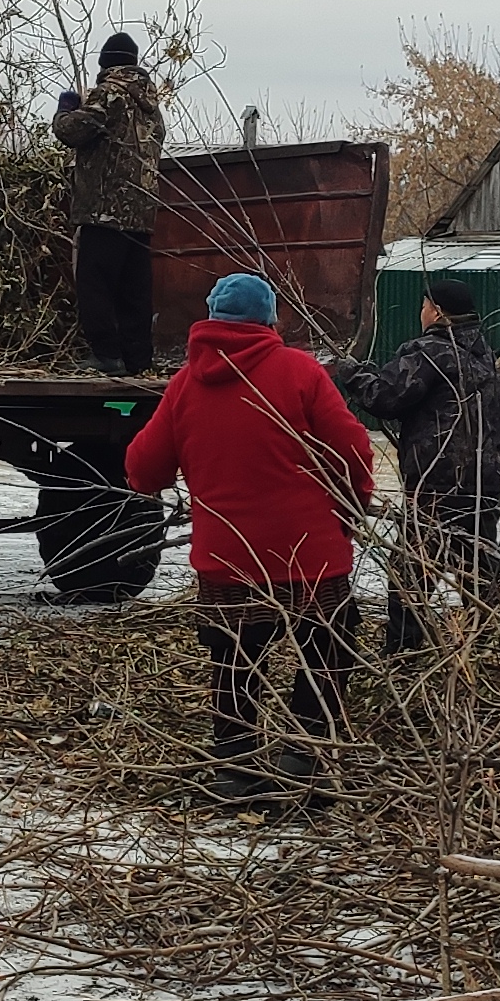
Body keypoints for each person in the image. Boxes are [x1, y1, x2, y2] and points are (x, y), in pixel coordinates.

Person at [124, 269, 375, 801]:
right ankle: (304, 752)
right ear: (269, 318)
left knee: (235, 656)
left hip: (228, 557)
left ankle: (235, 763)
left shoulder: (186, 384)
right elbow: (352, 446)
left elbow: (144, 469)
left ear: (211, 319)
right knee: (328, 646)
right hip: (310, 554)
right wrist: (354, 502)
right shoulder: (301, 371)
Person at [336, 276, 500, 656]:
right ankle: (496, 649)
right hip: (484, 484)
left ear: (435, 311)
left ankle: (403, 654)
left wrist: (350, 371)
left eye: (423, 306)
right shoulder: (485, 356)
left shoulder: (431, 351)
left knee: (410, 575)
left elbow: (384, 397)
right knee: (481, 572)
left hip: (437, 486)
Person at [50, 31, 165, 372]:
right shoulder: (152, 107)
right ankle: (138, 359)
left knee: (95, 285)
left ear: (105, 64)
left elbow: (70, 132)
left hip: (103, 212)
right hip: (141, 214)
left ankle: (105, 355)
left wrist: (66, 108)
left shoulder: (109, 94)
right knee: (135, 291)